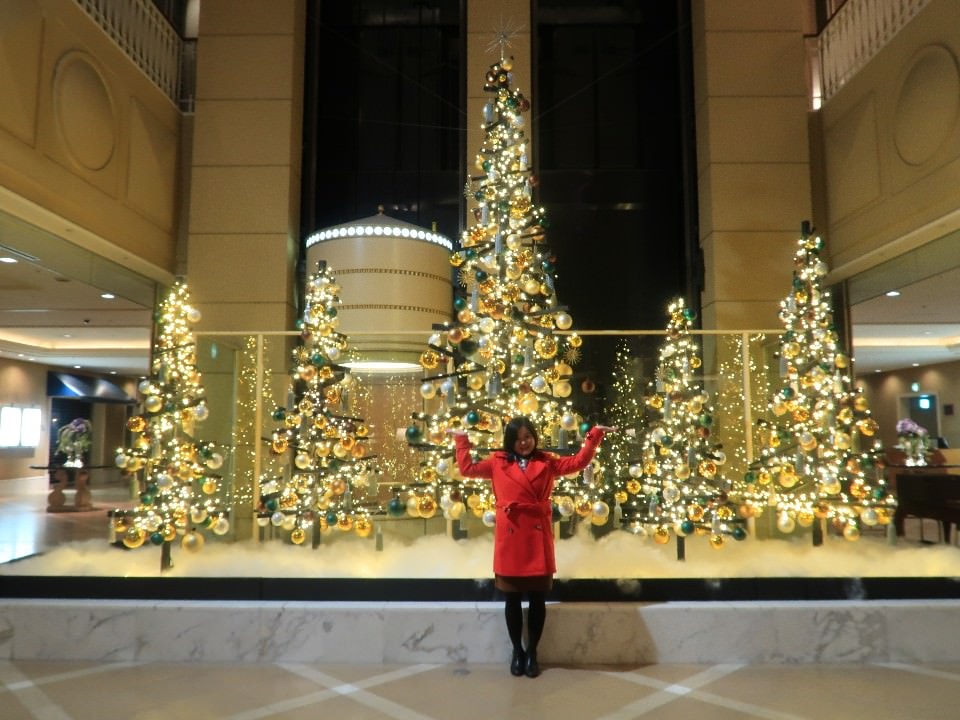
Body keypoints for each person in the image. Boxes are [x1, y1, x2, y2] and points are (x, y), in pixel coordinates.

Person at [450, 417, 613, 678]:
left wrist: (594, 435)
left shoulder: (546, 461)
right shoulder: (497, 461)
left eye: (528, 437)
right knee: (511, 599)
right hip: (511, 537)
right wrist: (461, 439)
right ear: (510, 440)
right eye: (518, 438)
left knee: (538, 599)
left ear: (534, 437)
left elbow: (578, 462)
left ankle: (533, 651)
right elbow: (467, 468)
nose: (523, 443)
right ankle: (517, 651)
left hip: (536, 534)